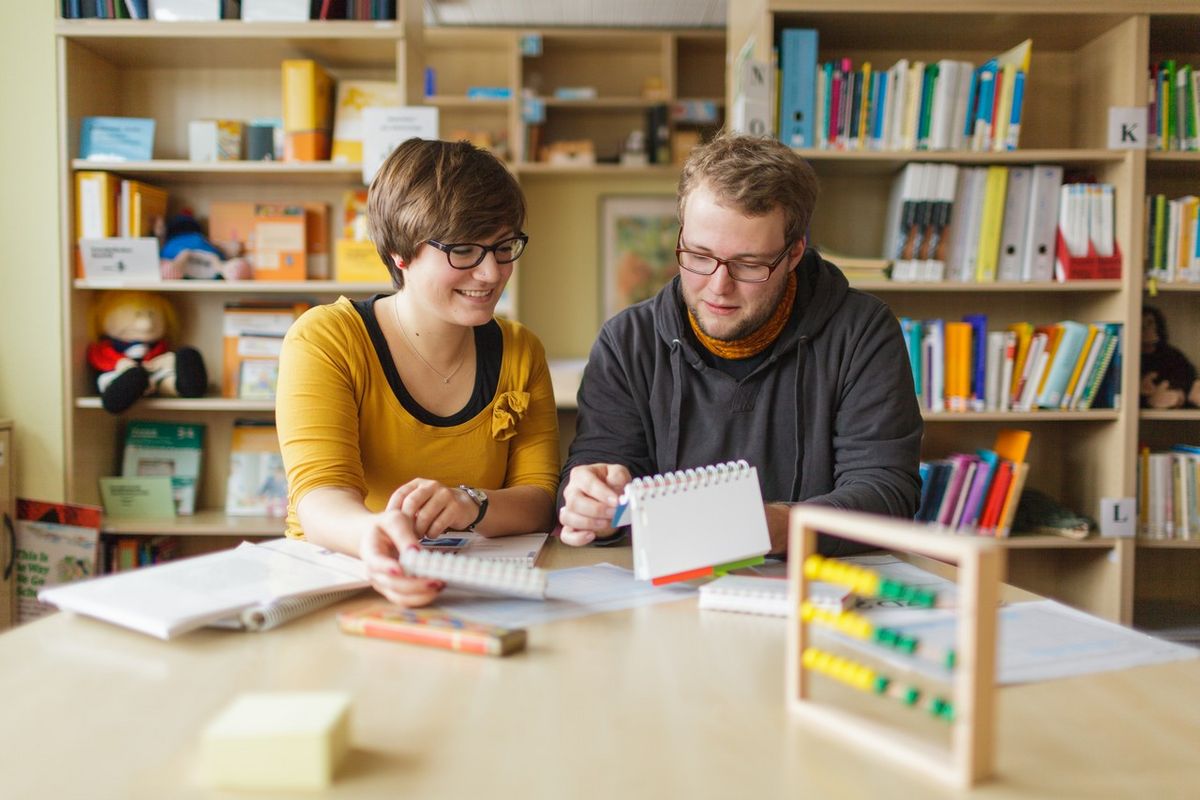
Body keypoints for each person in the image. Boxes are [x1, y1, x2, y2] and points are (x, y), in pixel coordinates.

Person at [558, 132, 923, 555]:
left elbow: (886, 492)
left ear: (793, 254)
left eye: (748, 264)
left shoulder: (863, 333)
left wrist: (779, 526)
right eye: (698, 255)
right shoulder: (627, 343)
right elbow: (600, 468)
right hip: (668, 598)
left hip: (817, 595)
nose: (717, 286)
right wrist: (591, 503)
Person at [276, 138, 560, 607]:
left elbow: (538, 499)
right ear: (399, 254)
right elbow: (320, 497)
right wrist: (378, 536)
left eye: (504, 246)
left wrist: (471, 504)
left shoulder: (520, 351)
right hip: (340, 580)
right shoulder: (327, 339)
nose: (491, 273)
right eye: (465, 250)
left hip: (473, 588)